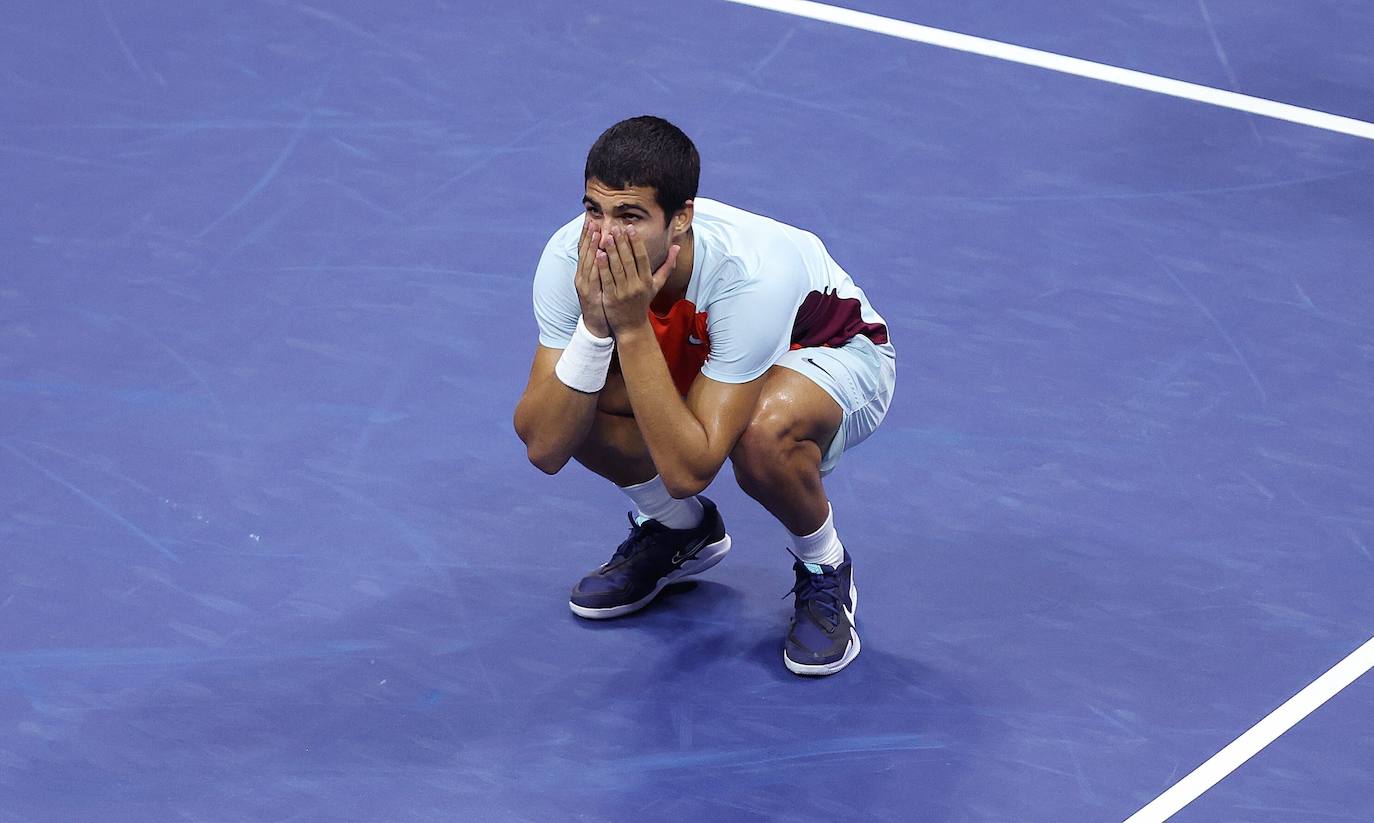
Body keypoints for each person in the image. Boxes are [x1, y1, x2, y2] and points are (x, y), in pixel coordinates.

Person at [513, 116, 895, 676]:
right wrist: (597, 331)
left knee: (762, 433)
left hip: (830, 353)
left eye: (630, 216)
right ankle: (677, 530)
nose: (603, 237)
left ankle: (824, 566)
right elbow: (544, 444)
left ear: (680, 218)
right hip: (707, 352)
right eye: (595, 210)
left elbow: (692, 467)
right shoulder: (568, 256)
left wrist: (630, 327)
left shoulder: (749, 274)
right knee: (576, 394)